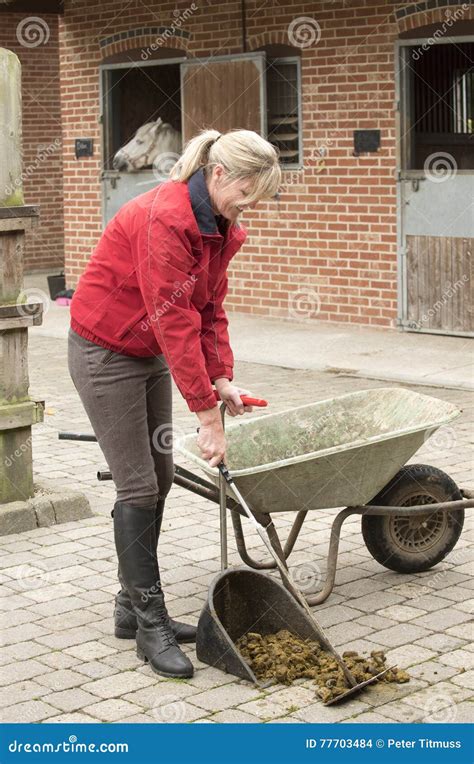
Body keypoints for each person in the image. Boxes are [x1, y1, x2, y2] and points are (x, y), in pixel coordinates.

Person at [67, 128, 281, 679]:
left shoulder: (215, 224)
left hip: (148, 351)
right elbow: (173, 317)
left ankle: (127, 608)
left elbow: (207, 310)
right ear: (219, 174)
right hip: (105, 351)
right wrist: (207, 416)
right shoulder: (167, 218)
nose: (249, 207)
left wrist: (222, 378)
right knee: (137, 486)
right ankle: (151, 625)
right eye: (247, 193)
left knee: (159, 478)